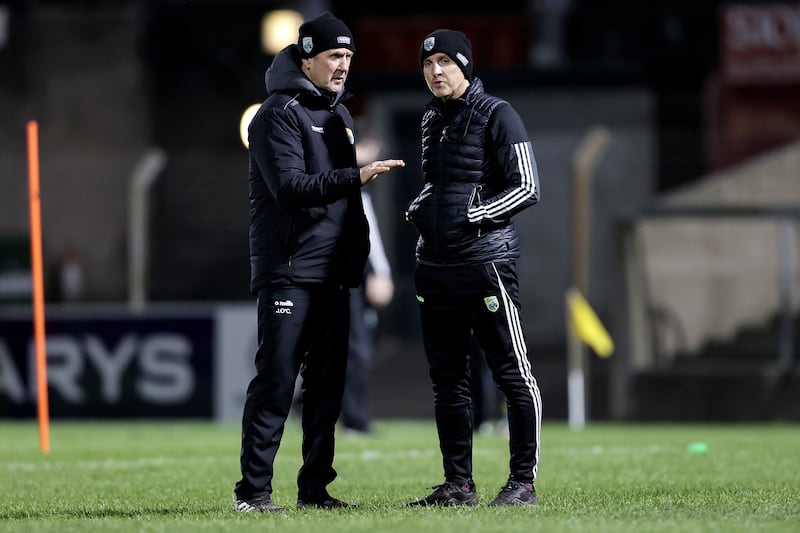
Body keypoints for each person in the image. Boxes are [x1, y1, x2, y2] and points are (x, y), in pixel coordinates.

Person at [234, 12, 405, 513]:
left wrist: (360, 262)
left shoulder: (340, 116)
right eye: (334, 56)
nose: (343, 66)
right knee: (277, 380)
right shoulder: (276, 114)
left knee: (328, 386)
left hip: (332, 273)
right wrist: (356, 175)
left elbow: (345, 209)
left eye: (349, 57)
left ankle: (314, 490)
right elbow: (290, 190)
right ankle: (253, 493)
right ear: (306, 58)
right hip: (289, 270)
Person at [405, 29, 543, 507]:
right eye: (427, 64)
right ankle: (458, 485)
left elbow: (527, 187)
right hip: (435, 267)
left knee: (512, 375)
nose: (435, 71)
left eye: (445, 61)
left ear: (465, 65)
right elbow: (443, 185)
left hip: (485, 265)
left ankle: (522, 483)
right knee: (447, 380)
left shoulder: (499, 114)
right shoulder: (429, 119)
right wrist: (423, 207)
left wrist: (471, 215)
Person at [340, 190, 394, 435]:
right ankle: (354, 419)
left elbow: (370, 235)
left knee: (357, 348)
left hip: (359, 278)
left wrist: (380, 272)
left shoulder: (362, 194)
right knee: (354, 348)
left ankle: (354, 416)